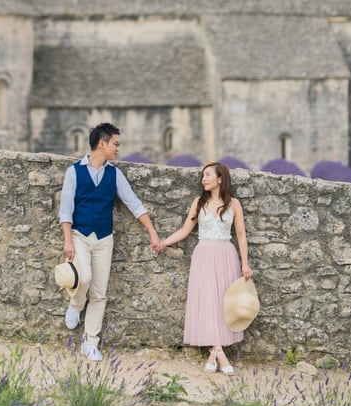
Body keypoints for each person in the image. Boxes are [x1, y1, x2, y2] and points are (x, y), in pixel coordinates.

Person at [59, 122, 161, 361]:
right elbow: (66, 210)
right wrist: (68, 241)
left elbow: (133, 203)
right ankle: (75, 304)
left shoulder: (115, 174)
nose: (118, 148)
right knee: (83, 278)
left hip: (105, 238)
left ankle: (89, 342)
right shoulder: (74, 171)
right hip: (80, 235)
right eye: (115, 144)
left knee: (100, 292)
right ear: (102, 144)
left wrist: (152, 232)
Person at [156, 161, 253, 374]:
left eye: (208, 175)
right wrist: (163, 242)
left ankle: (214, 352)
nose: (204, 179)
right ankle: (219, 352)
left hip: (225, 254)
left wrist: (245, 263)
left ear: (220, 179)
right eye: (203, 176)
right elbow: (185, 230)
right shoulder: (199, 202)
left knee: (223, 302)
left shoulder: (234, 204)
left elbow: (241, 235)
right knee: (208, 300)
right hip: (204, 255)